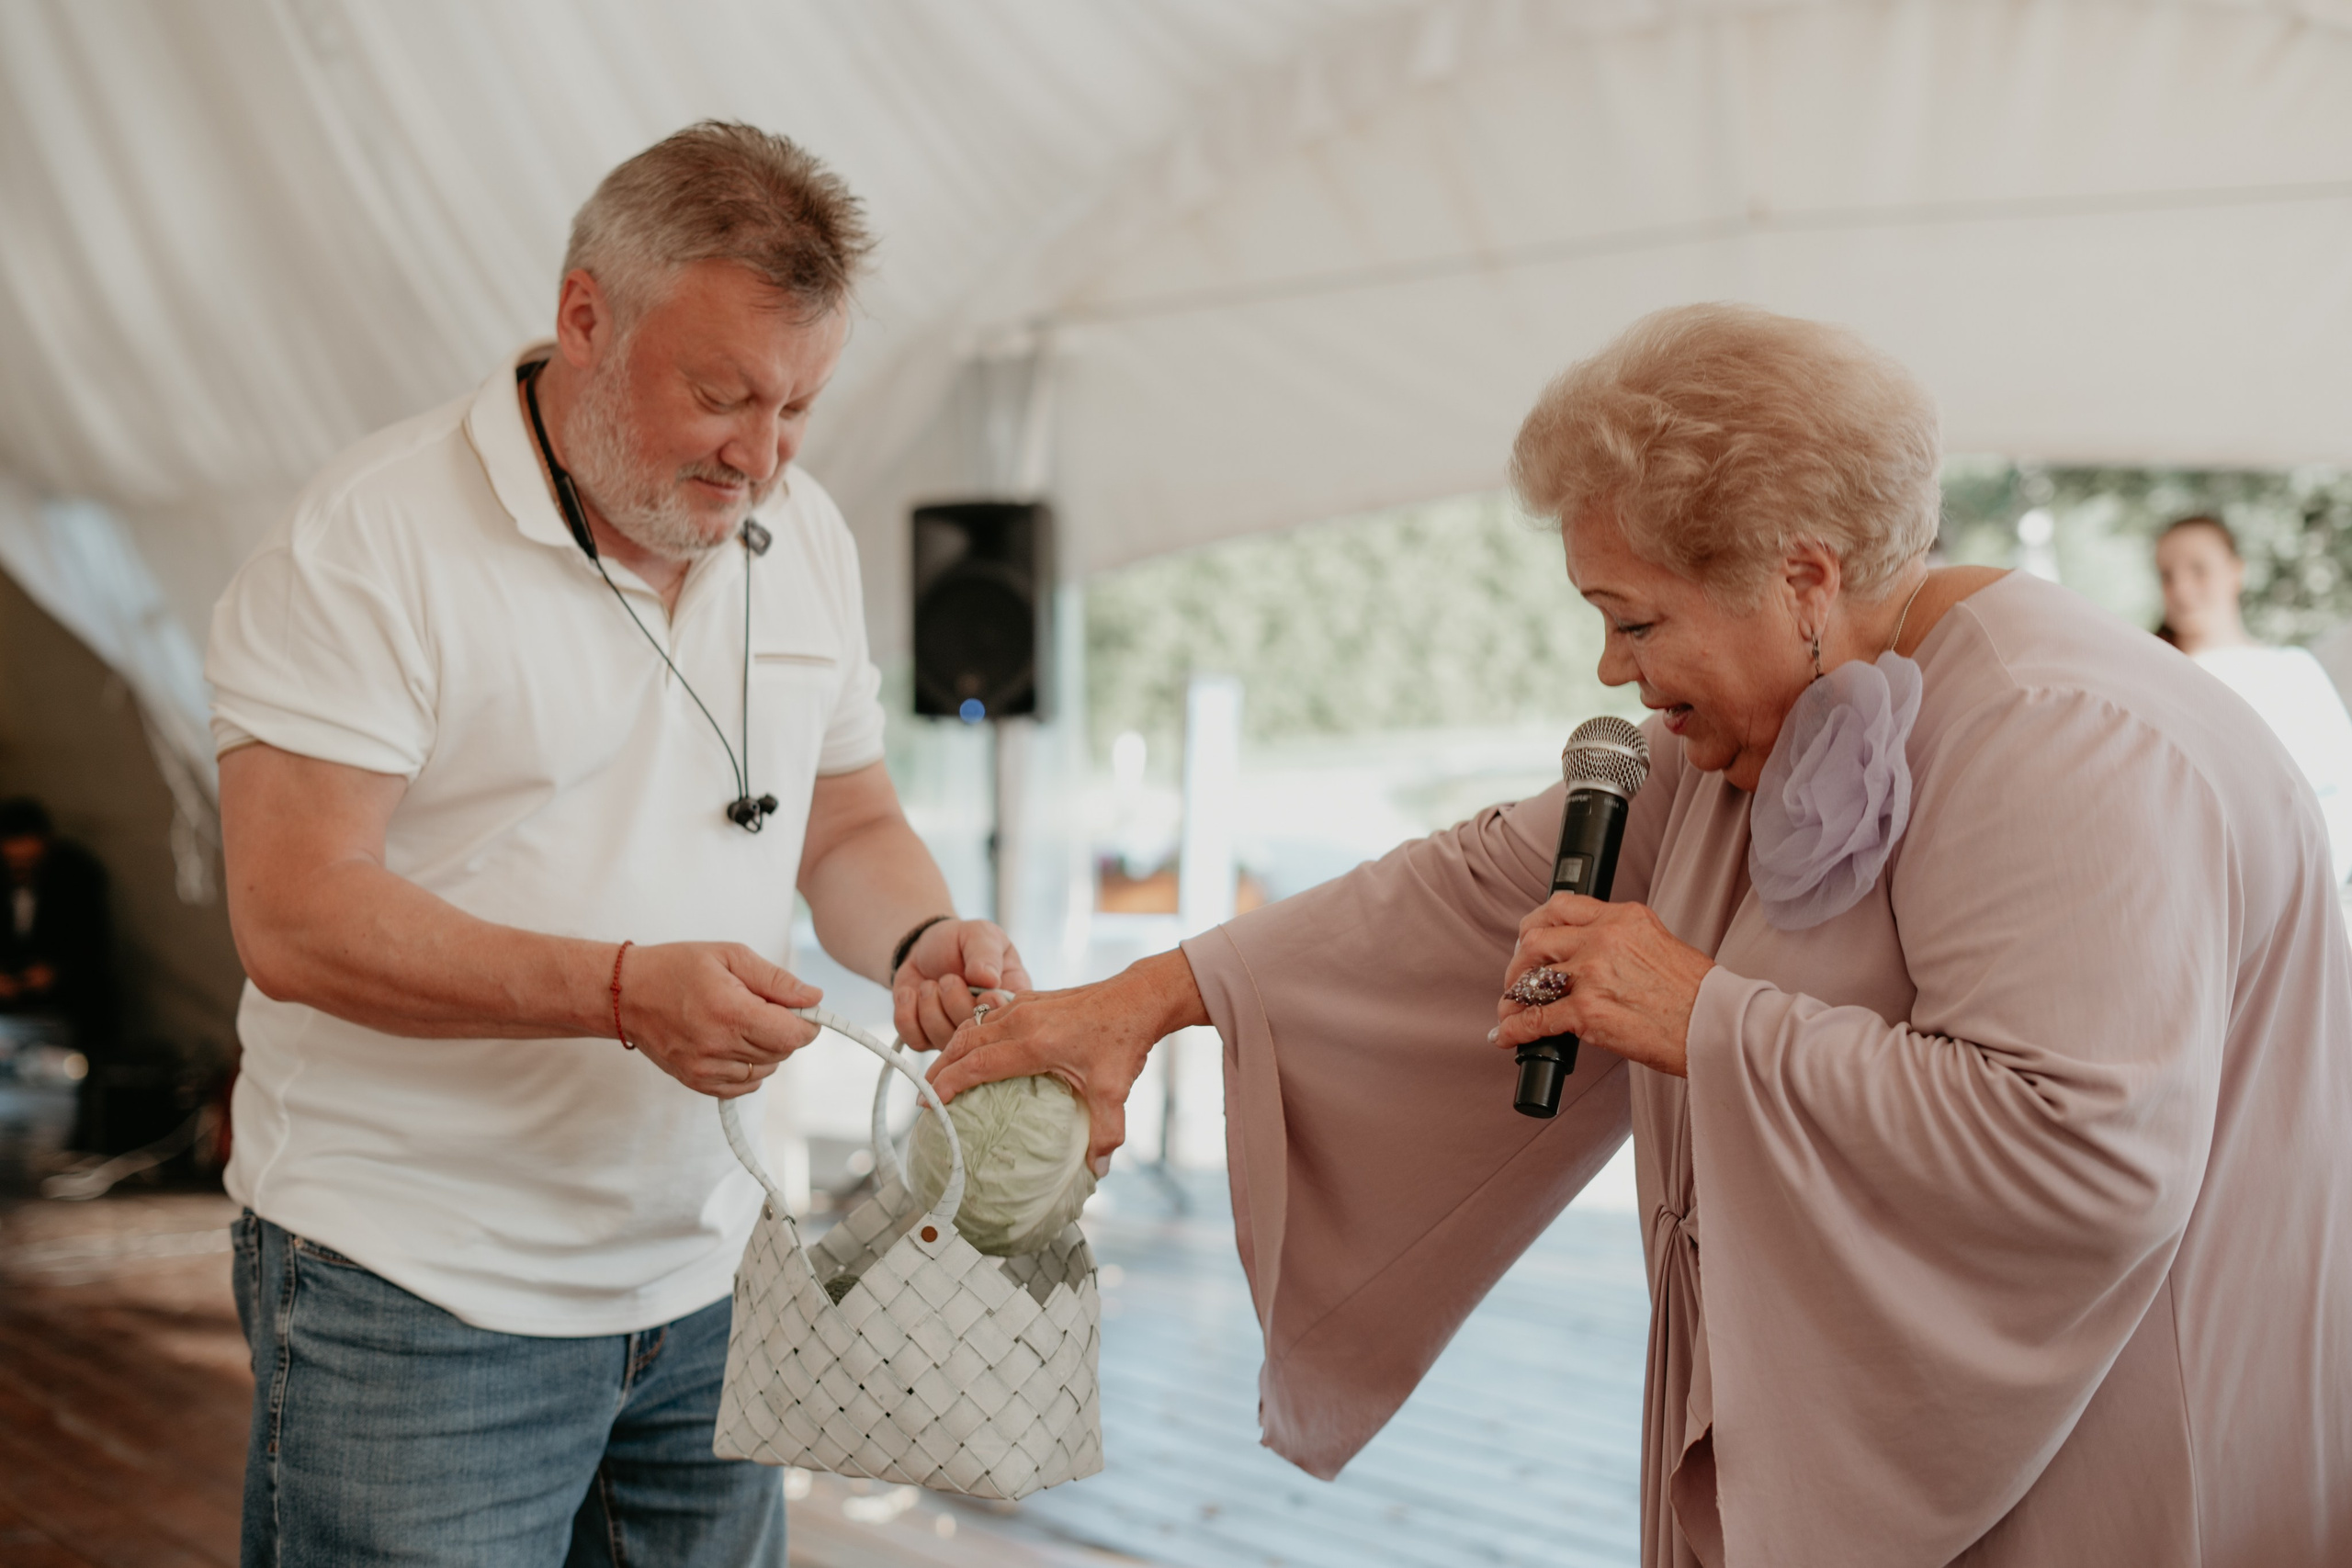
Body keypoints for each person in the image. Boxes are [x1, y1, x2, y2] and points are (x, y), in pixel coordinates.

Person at [933, 306, 2352, 1565]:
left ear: (1801, 575)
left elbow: (2079, 1142)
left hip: (2104, 1459)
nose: (1611, 668)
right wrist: (1147, 998)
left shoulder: (2069, 739)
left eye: (1634, 619)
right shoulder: (1780, 710)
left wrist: (1702, 1016)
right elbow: (1474, 888)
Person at [209, 123, 1023, 1568]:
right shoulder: (367, 539)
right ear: (586, 315)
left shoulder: (804, 532)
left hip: (709, 1277)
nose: (762, 458)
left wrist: (920, 936)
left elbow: (848, 819)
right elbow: (297, 911)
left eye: (800, 409)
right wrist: (619, 988)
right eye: (722, 395)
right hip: (413, 1294)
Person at [2154, 513, 2352, 884]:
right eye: (2167, 575)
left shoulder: (2292, 671)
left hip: (2292, 888)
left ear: (2236, 572)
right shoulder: (2150, 678)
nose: (2180, 588)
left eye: (2198, 569)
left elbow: (2342, 786)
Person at [0, 796, 114, 1046]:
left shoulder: (76, 876)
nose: (22, 871)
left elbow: (93, 943)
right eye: (13, 864)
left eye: (29, 863)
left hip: (64, 1002)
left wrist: (57, 972)